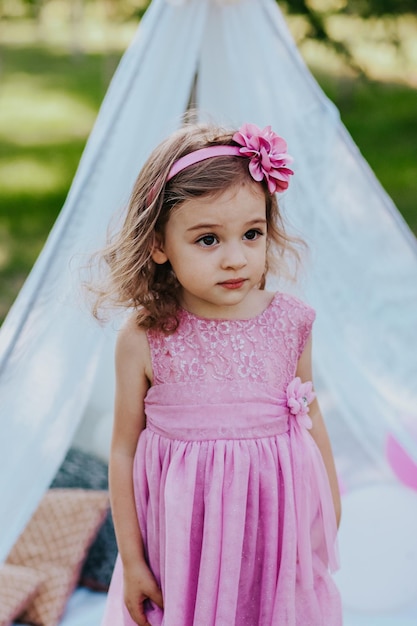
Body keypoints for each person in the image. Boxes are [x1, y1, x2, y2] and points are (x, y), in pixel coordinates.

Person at [95, 120, 342, 626]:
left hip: (271, 538)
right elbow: (123, 449)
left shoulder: (290, 322)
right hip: (184, 549)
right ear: (159, 245)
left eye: (252, 234)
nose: (236, 258)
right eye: (208, 239)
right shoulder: (145, 336)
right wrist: (135, 560)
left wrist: (328, 517)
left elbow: (310, 420)